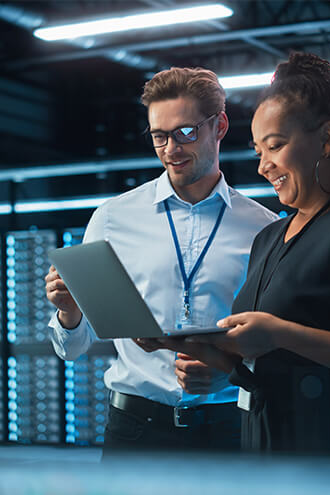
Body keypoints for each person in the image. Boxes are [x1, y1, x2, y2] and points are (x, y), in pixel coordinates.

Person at [169, 52, 330, 457]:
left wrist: (279, 332)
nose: (263, 166)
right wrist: (219, 367)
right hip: (267, 452)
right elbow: (273, 363)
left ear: (326, 139)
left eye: (275, 146)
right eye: (258, 151)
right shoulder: (270, 237)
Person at [45, 66, 277, 454]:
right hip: (134, 431)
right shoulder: (112, 218)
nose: (171, 149)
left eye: (185, 132)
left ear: (219, 126)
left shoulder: (265, 228)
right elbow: (72, 348)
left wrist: (229, 373)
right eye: (159, 136)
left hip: (229, 432)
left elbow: (276, 343)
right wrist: (70, 314)